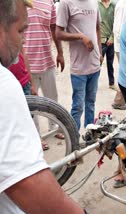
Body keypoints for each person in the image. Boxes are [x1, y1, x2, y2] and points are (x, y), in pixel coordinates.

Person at [0, 0, 84, 213]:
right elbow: (30, 184)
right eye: (20, 31)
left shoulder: (49, 5)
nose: (22, 42)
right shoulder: (3, 84)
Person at [56, 0, 102, 130]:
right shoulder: (66, 3)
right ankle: (74, 140)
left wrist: (99, 51)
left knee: (91, 104)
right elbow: (58, 33)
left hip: (94, 65)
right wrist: (80, 36)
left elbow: (97, 27)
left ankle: (89, 136)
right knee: (77, 106)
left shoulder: (94, 2)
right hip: (79, 68)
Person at [24, 0, 65, 140]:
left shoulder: (49, 2)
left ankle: (54, 128)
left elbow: (54, 29)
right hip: (28, 64)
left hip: (47, 60)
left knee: (52, 98)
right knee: (32, 104)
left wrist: (60, 53)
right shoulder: (19, 2)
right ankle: (36, 137)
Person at [111, 0, 126, 110]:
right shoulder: (123, 4)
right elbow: (120, 26)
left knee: (124, 72)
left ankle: (121, 99)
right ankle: (119, 100)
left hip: (120, 43)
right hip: (122, 44)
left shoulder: (120, 3)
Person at [99, 0, 116, 90]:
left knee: (110, 63)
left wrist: (112, 38)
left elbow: (116, 23)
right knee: (98, 62)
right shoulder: (97, 4)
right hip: (100, 40)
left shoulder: (113, 5)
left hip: (110, 40)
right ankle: (93, 83)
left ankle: (112, 83)